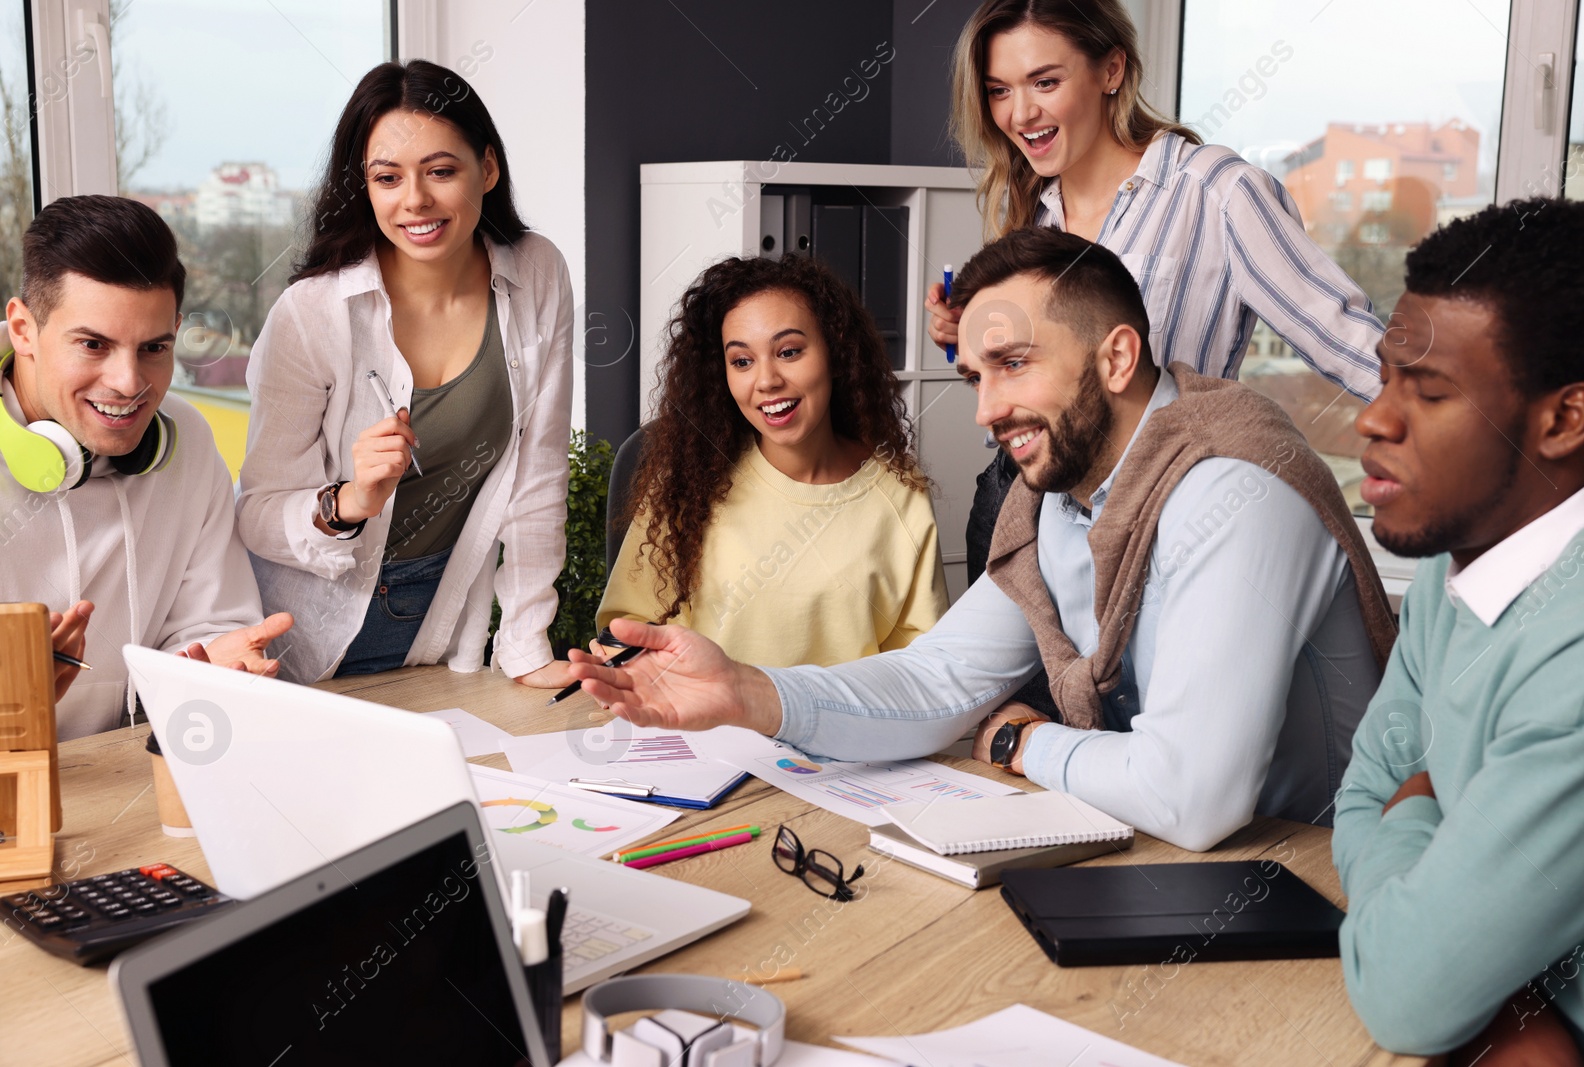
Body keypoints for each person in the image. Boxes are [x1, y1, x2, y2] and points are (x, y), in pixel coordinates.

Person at [568, 228, 1395, 852]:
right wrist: (752, 692)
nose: (986, 410)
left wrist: (1019, 739)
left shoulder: (1234, 486)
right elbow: (937, 678)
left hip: (1307, 877)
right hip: (1167, 856)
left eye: (1014, 363)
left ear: (1116, 357)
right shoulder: (1057, 502)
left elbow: (1193, 795)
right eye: (975, 375)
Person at [932, 0, 1387, 722]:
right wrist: (971, 345)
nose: (1019, 112)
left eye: (1044, 81)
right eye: (998, 89)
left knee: (1148, 754)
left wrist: (1489, 434)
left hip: (1162, 515)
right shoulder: (1032, 210)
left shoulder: (1217, 192)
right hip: (1024, 507)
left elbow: (1347, 338)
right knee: (1019, 756)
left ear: (1112, 68)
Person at [1333, 198, 1584, 1064]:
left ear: (1563, 421)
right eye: (1385, 375)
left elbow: (1409, 992)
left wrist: (1420, 808)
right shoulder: (1463, 566)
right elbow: (1367, 786)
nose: (1374, 419)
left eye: (1430, 390)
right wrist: (1512, 1000)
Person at [236, 60, 574, 686]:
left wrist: (528, 646)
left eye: (441, 171)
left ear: (488, 168)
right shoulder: (313, 313)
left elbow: (539, 473)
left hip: (437, 621)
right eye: (387, 177)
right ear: (364, 186)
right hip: (303, 633)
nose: (415, 200)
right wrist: (349, 503)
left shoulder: (537, 273)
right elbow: (256, 511)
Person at [0, 195, 290, 740]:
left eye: (154, 347)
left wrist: (211, 666)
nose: (130, 383)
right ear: (23, 329)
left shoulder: (187, 439)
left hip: (135, 773)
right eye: (93, 344)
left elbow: (210, 623)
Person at [599, 254, 948, 665]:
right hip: (705, 725)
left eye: (789, 351)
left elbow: (923, 668)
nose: (766, 381)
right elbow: (628, 626)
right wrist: (628, 659)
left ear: (835, 353)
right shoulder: (687, 482)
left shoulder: (899, 492)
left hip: (842, 728)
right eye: (742, 361)